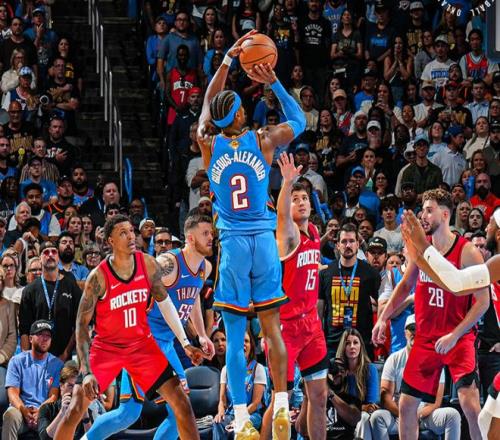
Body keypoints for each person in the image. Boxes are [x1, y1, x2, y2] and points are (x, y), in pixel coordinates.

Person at [197, 29, 306, 440]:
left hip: (233, 246)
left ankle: (241, 418)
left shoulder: (208, 143)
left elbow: (207, 107)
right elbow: (300, 120)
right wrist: (273, 82)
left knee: (235, 336)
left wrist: (227, 60)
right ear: (241, 116)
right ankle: (282, 404)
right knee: (272, 330)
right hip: (263, 241)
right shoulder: (263, 140)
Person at [53, 214, 206, 440]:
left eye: (131, 231)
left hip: (141, 346)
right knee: (76, 407)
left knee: (182, 403)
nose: (131, 236)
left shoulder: (148, 263)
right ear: (111, 241)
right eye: (123, 233)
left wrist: (185, 343)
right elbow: (82, 324)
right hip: (107, 348)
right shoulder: (98, 277)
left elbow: (165, 303)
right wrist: (86, 372)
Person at [373, 189, 489, 440]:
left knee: (469, 403)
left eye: (429, 210)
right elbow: (405, 285)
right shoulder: (420, 247)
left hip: (458, 337)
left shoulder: (468, 251)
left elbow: (483, 302)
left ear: (445, 214)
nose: (423, 215)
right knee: (406, 405)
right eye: (422, 210)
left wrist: (454, 335)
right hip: (426, 338)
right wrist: (383, 317)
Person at [261, 153, 328, 440]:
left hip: (311, 325)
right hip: (285, 327)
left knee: (319, 396)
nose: (301, 202)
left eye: (304, 198)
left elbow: (309, 270)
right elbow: (281, 218)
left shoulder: (314, 231)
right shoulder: (288, 236)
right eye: (295, 199)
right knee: (281, 401)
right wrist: (287, 183)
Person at [370, 314, 461, 439]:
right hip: (399, 414)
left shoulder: (435, 359)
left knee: (453, 414)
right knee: (377, 417)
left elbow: (436, 402)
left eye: (420, 329)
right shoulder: (394, 359)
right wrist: (405, 415)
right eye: (412, 329)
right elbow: (385, 398)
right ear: (405, 333)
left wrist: (416, 415)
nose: (415, 333)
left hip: (425, 414)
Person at [319, 223, 381, 360]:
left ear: (358, 245)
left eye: (352, 241)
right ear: (337, 245)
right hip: (332, 343)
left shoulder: (371, 273)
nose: (348, 245)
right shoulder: (326, 273)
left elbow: (382, 304)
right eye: (344, 241)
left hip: (362, 342)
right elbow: (319, 311)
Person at [19, 241, 82, 360]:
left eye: (54, 252)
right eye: (46, 252)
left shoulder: (71, 286)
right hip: (36, 358)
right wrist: (28, 360)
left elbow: (78, 325)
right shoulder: (29, 290)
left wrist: (65, 355)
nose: (50, 255)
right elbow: (24, 329)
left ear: (58, 257)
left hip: (64, 358)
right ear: (40, 259)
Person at [2, 320, 63, 440]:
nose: (45, 339)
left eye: (48, 336)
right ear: (30, 338)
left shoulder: (57, 364)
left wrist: (40, 412)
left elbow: (53, 396)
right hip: (21, 409)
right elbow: (12, 393)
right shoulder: (17, 361)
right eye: (40, 334)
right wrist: (24, 411)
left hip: (44, 412)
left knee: (57, 417)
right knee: (10, 415)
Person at [213, 331, 266, 439]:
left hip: (251, 414)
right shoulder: (226, 369)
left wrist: (239, 418)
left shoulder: (258, 368)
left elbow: (255, 403)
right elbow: (222, 400)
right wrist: (220, 412)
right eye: (240, 341)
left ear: (251, 346)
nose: (243, 344)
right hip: (231, 414)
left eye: (246, 341)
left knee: (238, 427)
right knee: (218, 423)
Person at [38, 363, 92, 439]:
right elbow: (44, 437)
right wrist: (62, 413)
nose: (74, 391)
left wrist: (86, 417)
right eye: (70, 386)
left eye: (77, 387)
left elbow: (92, 438)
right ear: (61, 386)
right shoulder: (47, 409)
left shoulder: (86, 411)